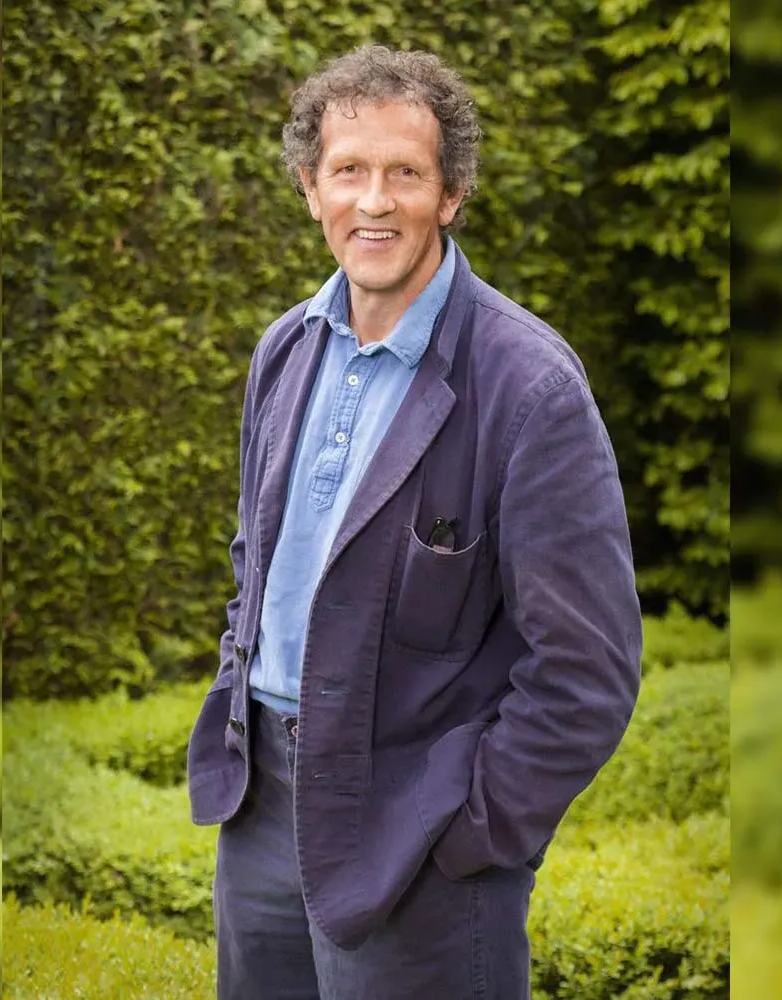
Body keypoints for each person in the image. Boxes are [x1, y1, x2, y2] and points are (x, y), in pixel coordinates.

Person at [187, 43, 642, 1000]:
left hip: (418, 834)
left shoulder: (530, 388)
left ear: (452, 194)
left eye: (405, 173)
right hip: (260, 812)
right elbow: (253, 565)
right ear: (311, 189)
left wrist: (472, 834)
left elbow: (588, 670)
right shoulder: (284, 350)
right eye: (348, 170)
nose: (375, 201)